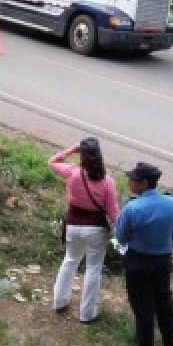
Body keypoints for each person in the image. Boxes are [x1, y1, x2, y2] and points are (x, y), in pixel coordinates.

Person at [115, 162, 173, 346]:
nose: (129, 183)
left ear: (143, 183)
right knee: (164, 300)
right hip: (163, 260)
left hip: (138, 261)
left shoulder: (132, 208)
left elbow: (121, 237)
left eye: (132, 180)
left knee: (143, 307)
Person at [48, 137, 120, 323]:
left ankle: (59, 301)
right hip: (95, 229)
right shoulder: (107, 182)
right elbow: (113, 212)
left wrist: (71, 150)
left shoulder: (72, 173)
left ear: (82, 155)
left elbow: (52, 162)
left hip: (72, 225)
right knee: (93, 268)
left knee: (70, 261)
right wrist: (122, 231)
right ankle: (87, 313)